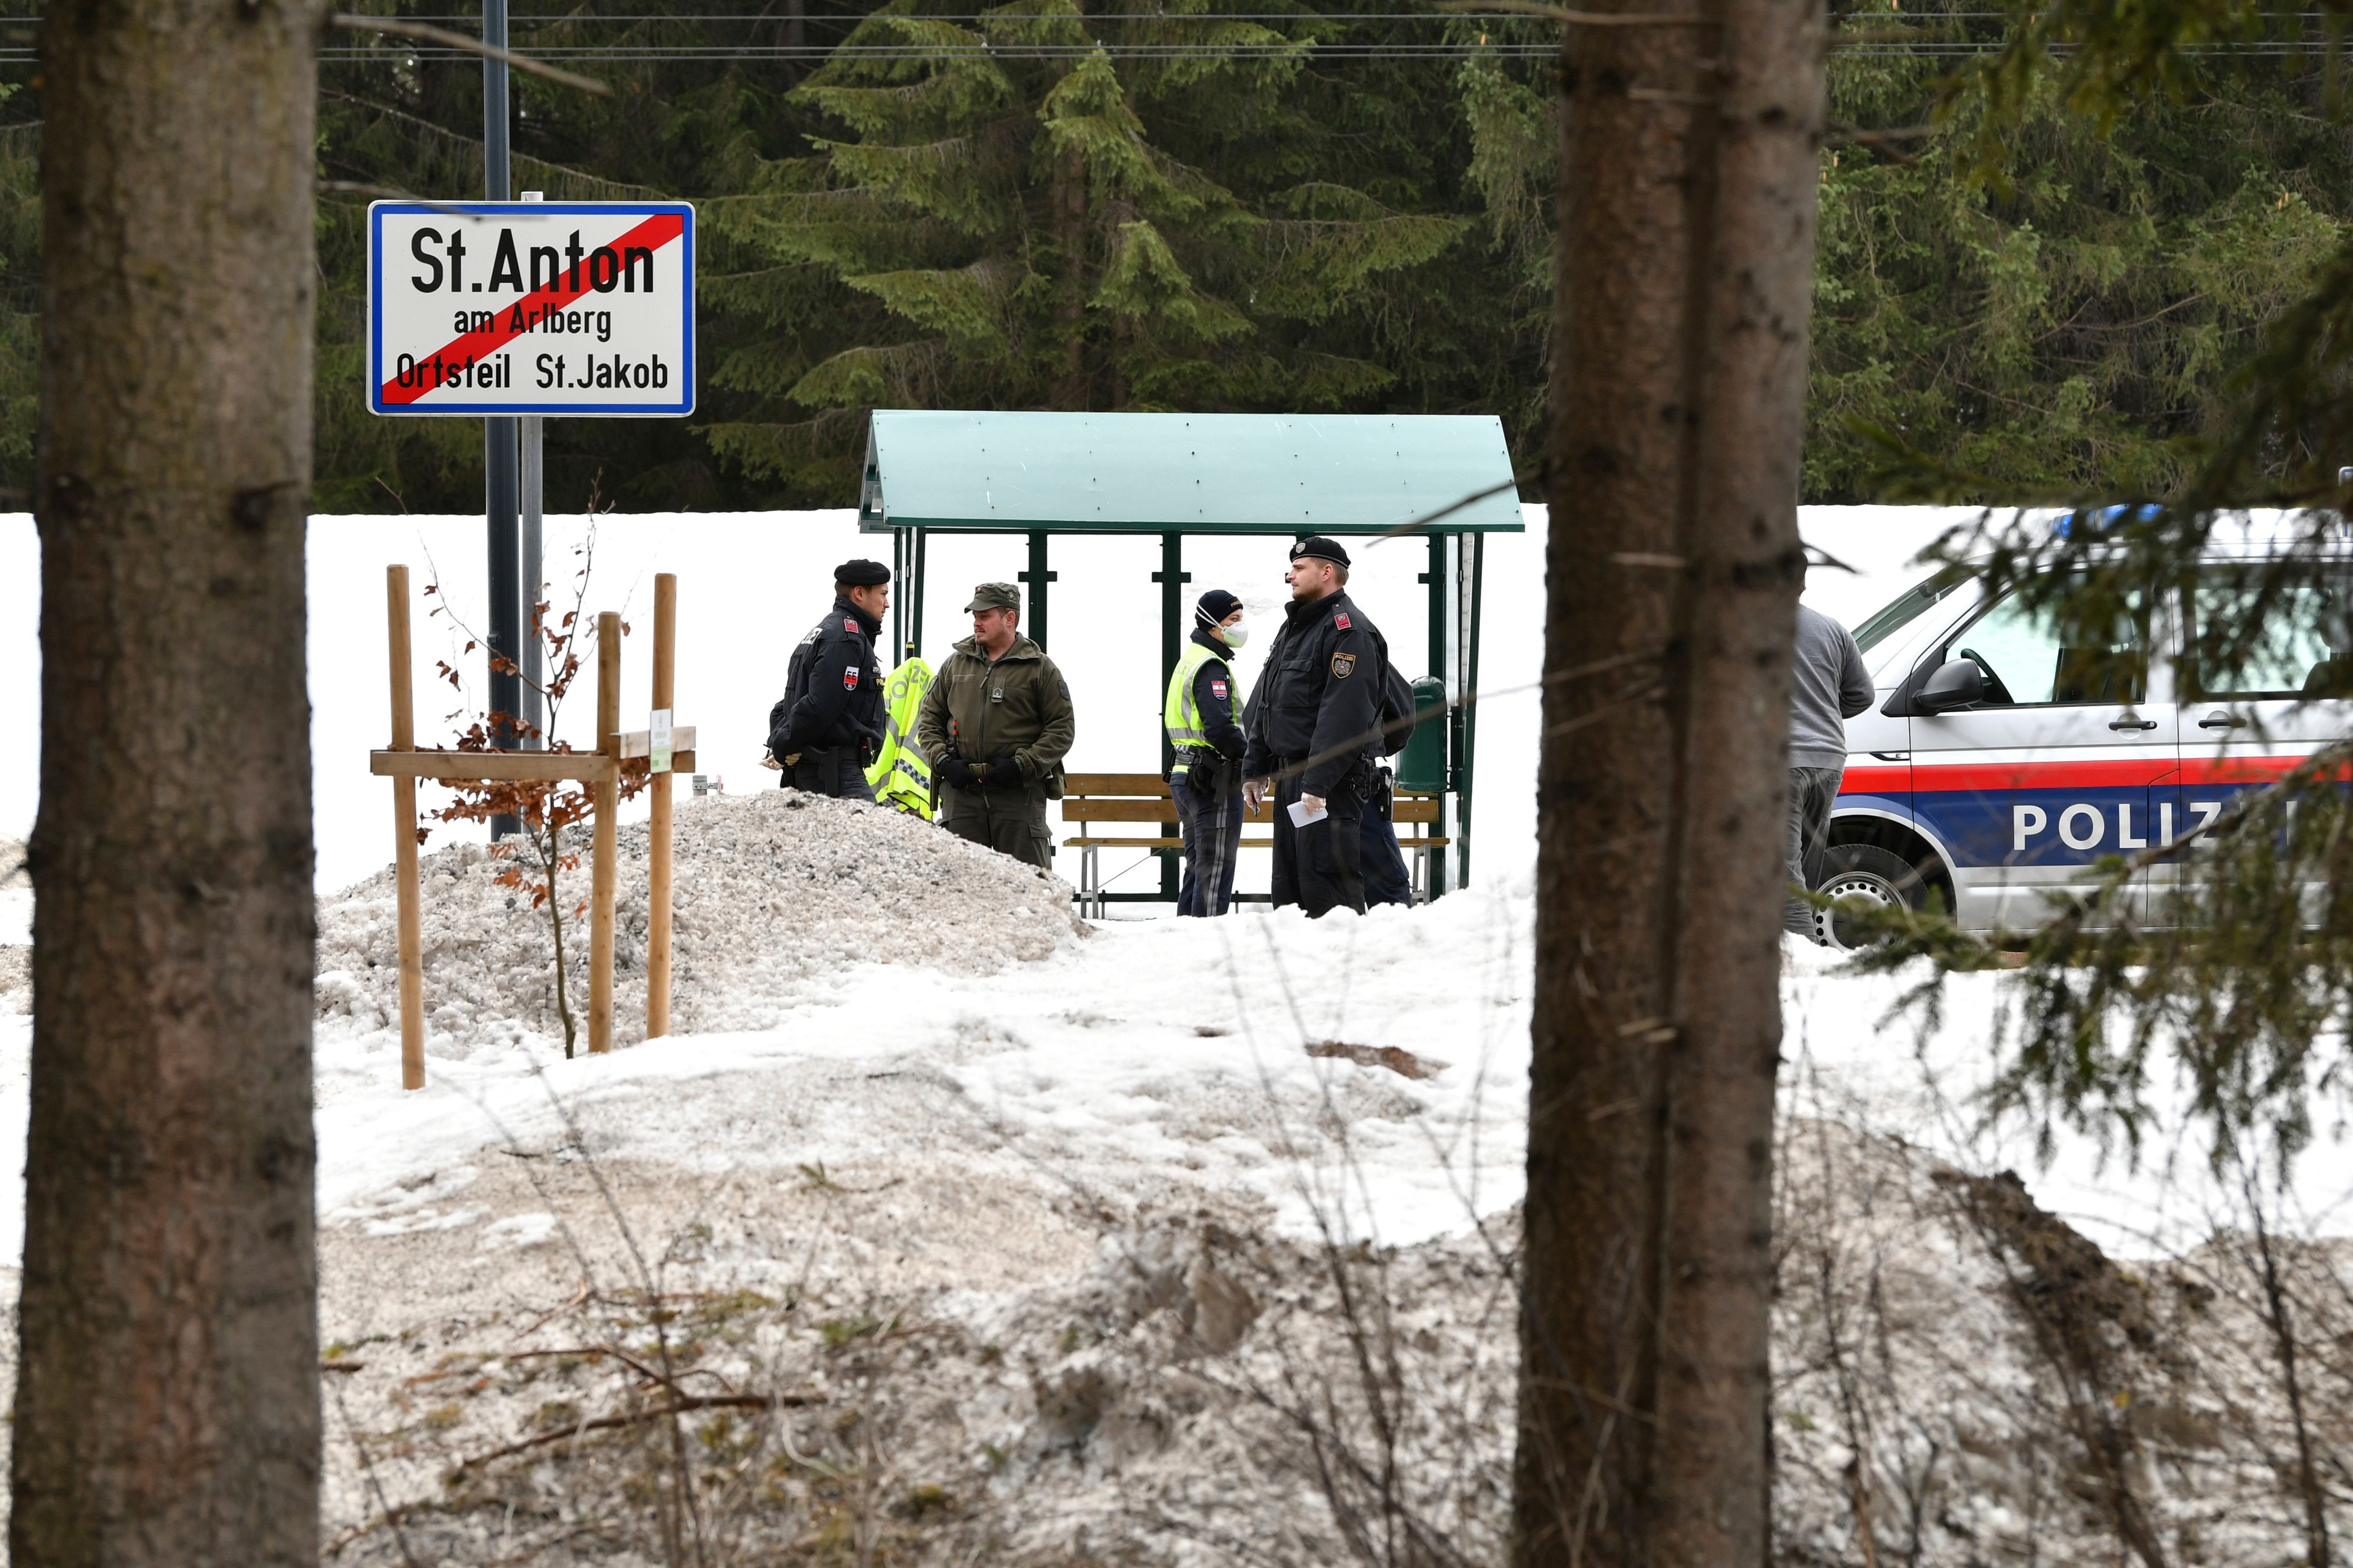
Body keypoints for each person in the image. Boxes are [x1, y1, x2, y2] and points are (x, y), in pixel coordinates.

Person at [1242, 536, 1389, 918]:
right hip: (1296, 780)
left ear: (1327, 572)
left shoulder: (1348, 631)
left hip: (1329, 785)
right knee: (1289, 894)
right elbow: (1268, 703)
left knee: (1327, 895)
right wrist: (1255, 770)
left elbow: (1344, 715)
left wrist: (1317, 784)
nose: (1289, 575)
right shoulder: (1294, 628)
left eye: (1299, 567)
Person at [916, 582, 1076, 869]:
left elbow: (1061, 729)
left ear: (1009, 618)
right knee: (959, 888)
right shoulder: (955, 665)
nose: (976, 623)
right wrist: (943, 761)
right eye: (975, 617)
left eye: (984, 616)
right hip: (962, 795)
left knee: (1030, 889)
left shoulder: (1040, 669)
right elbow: (928, 719)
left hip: (1018, 796)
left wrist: (1022, 766)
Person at [1787, 598, 1875, 939]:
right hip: (1828, 760)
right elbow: (1862, 695)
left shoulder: (1749, 625)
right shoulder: (1833, 629)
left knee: (1782, 872)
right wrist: (1821, 712)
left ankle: (1799, 958)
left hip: (1783, 763)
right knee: (1804, 870)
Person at [766, 559, 889, 799]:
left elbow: (786, 705)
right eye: (883, 594)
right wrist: (784, 745)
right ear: (860, 593)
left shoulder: (824, 632)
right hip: (835, 774)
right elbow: (820, 705)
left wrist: (783, 742)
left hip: (818, 769)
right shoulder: (846, 639)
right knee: (871, 835)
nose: (887, 604)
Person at [1165, 588, 1249, 916]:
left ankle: (1187, 938)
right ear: (1213, 624)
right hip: (1213, 781)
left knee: (1199, 867)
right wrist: (1253, 760)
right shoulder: (1211, 666)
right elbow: (1220, 729)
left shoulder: (1190, 658)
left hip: (1185, 775)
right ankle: (1210, 944)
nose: (1240, 626)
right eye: (1233, 619)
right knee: (1215, 871)